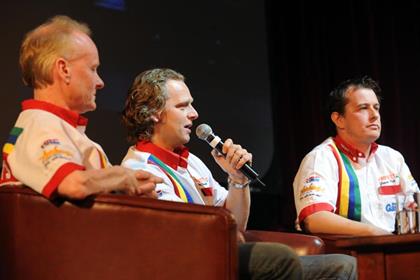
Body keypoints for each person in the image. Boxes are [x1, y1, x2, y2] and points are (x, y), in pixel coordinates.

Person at [121, 68, 357, 280]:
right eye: (182, 106)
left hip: (217, 254)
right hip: (186, 264)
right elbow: (186, 235)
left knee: (342, 265)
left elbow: (238, 223)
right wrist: (231, 234)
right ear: (154, 113)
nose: (194, 113)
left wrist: (237, 179)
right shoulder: (140, 168)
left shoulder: (191, 162)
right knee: (277, 258)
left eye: (191, 105)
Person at [0, 15, 161, 200]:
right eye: (93, 69)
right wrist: (123, 177)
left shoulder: (57, 127)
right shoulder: (40, 124)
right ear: (64, 69)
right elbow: (73, 184)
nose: (100, 82)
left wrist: (134, 189)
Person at [293, 76, 419, 236]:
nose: (375, 115)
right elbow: (315, 218)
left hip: (391, 249)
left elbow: (414, 207)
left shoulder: (393, 158)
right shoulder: (322, 158)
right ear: (339, 119)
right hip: (348, 253)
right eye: (363, 108)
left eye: (376, 107)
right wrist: (374, 233)